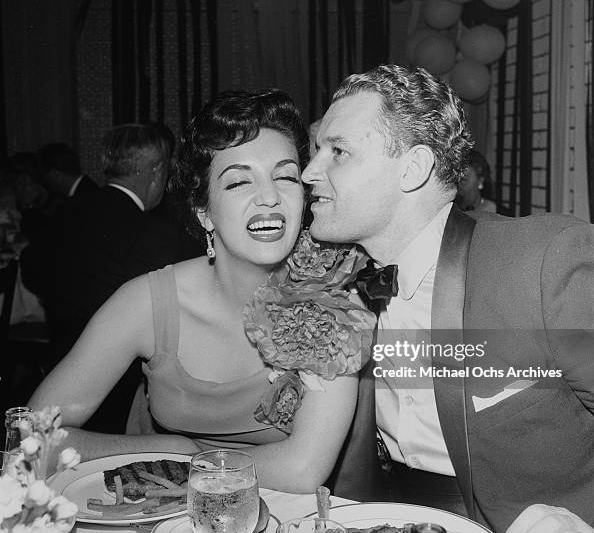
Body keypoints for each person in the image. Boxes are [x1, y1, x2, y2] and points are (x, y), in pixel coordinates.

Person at [302, 64, 594, 533]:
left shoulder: (543, 266)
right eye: (315, 151)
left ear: (412, 168)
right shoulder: (334, 282)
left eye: (337, 152)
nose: (308, 172)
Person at [29, 89, 358, 493]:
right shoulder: (148, 303)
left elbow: (301, 470)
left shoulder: (333, 305)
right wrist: (161, 449)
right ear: (204, 211)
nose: (270, 196)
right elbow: (33, 437)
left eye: (286, 176)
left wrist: (187, 461)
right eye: (239, 182)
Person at [22, 124, 201, 433]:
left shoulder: (64, 211)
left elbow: (31, 269)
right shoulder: (156, 236)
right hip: (127, 391)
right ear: (157, 170)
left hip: (57, 366)